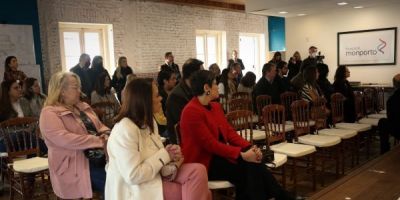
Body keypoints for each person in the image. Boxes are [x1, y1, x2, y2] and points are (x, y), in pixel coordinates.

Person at [180, 70, 295, 200]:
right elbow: (210, 145)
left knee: (253, 165)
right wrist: (241, 154)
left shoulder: (215, 107)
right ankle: (282, 196)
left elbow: (230, 133)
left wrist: (250, 147)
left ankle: (281, 196)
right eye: (215, 83)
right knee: (249, 169)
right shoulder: (191, 111)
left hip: (220, 156)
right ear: (206, 88)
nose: (218, 86)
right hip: (204, 162)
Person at [105, 78, 211, 200]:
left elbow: (157, 157)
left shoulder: (149, 122)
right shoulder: (125, 129)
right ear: (144, 101)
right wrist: (165, 155)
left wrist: (171, 155)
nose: (161, 99)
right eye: (156, 96)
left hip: (154, 177)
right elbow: (133, 175)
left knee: (199, 170)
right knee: (204, 193)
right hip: (135, 189)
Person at [39, 72, 109, 199]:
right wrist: (97, 140)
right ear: (62, 91)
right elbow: (65, 139)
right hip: (73, 166)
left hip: (98, 157)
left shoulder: (83, 106)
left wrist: (108, 133)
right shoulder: (49, 113)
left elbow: (99, 126)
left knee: (123, 177)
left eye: (79, 87)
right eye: (75, 87)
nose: (79, 91)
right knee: (111, 183)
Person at [166, 58, 203, 144]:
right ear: (193, 75)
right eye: (201, 73)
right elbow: (186, 126)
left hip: (197, 137)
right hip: (184, 143)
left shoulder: (195, 90)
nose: (204, 76)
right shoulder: (176, 97)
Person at [378, 74, 400, 154]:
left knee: (382, 122)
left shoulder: (392, 99)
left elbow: (391, 118)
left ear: (394, 85)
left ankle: (385, 151)